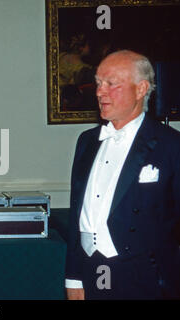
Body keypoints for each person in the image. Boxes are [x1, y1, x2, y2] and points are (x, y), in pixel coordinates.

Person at [65, 50, 180, 299]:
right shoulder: (87, 142)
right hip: (90, 271)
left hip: (147, 279)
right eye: (98, 83)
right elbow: (78, 215)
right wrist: (73, 278)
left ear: (141, 89)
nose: (99, 91)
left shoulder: (170, 145)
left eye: (111, 83)